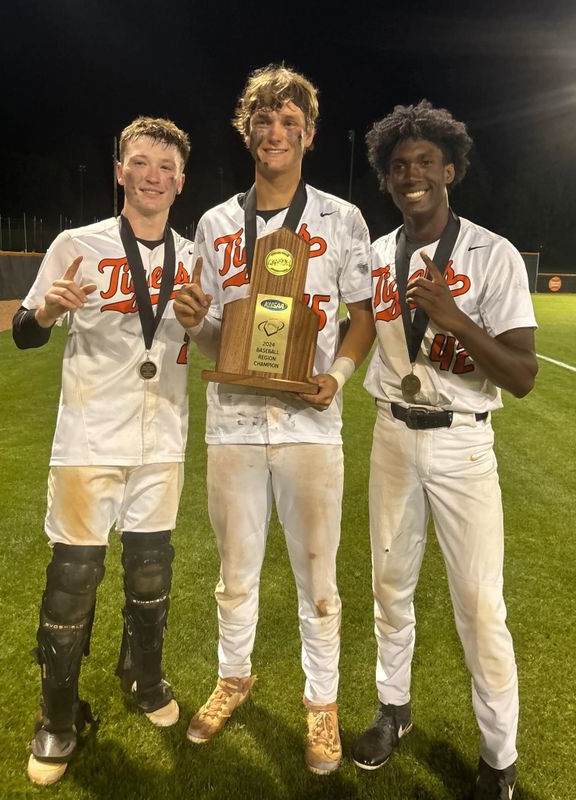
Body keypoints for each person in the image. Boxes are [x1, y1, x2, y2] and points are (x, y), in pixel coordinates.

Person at [174, 64, 374, 775]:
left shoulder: (342, 219)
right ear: (247, 131)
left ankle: (322, 704)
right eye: (264, 120)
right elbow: (208, 338)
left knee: (318, 577)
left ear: (309, 135)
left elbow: (363, 318)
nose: (276, 132)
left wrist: (339, 376)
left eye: (290, 122)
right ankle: (235, 674)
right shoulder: (215, 223)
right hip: (231, 422)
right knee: (235, 573)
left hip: (310, 426)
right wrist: (195, 323)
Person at [352, 100, 537, 799]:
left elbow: (521, 376)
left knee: (479, 606)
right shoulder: (375, 256)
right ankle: (393, 711)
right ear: (387, 180)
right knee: (389, 588)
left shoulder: (494, 253)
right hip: (393, 435)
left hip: (463, 446)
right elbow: (356, 330)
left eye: (425, 162)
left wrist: (455, 319)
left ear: (450, 169)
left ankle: (498, 759)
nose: (412, 175)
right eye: (399, 167)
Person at [13, 116, 194, 785]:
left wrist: (205, 326)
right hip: (89, 439)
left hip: (162, 439)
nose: (153, 176)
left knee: (152, 572)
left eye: (165, 167)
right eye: (140, 163)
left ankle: (143, 677)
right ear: (120, 171)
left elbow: (207, 342)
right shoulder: (76, 244)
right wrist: (45, 313)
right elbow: (23, 333)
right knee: (74, 578)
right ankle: (56, 716)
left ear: (181, 180)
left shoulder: (195, 254)